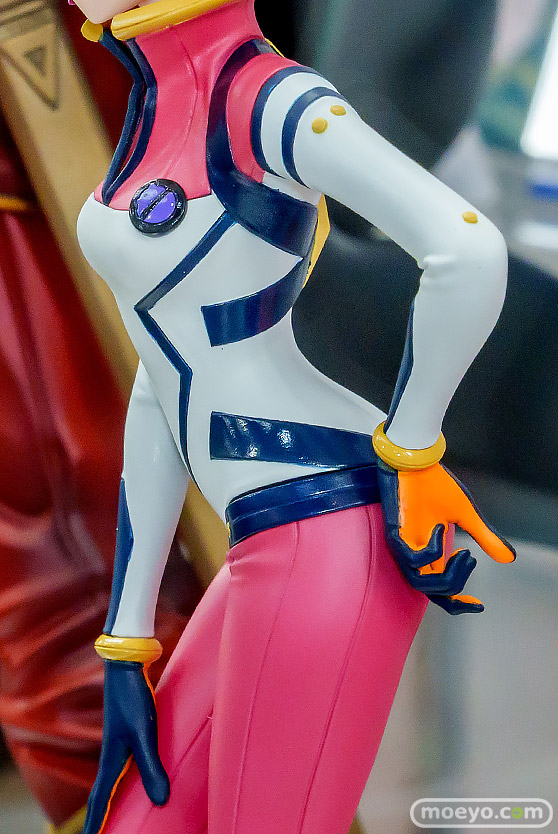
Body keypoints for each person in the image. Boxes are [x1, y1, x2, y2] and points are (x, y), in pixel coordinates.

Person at [71, 2, 516, 833]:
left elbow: (467, 250)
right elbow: (160, 378)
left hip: (325, 527)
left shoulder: (271, 99)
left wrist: (412, 448)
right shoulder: (154, 106)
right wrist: (127, 640)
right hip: (263, 539)